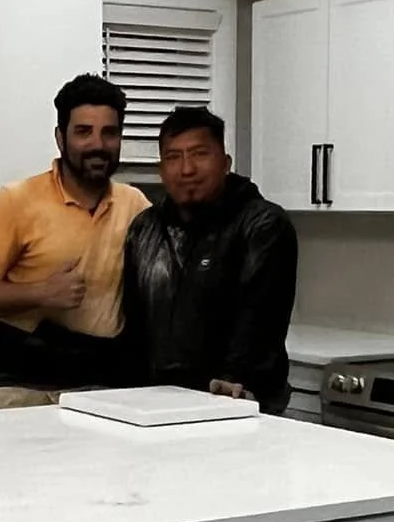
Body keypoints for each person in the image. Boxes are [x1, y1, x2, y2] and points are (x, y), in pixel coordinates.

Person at [0, 74, 150, 408]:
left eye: (109, 132)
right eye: (83, 132)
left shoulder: (136, 206)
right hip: (30, 390)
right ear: (61, 138)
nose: (97, 145)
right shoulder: (16, 201)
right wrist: (42, 292)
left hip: (109, 392)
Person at [122, 105, 298, 413]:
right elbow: (134, 325)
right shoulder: (143, 230)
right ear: (161, 170)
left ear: (225, 163)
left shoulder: (261, 224)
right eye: (173, 157)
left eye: (200, 154)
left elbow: (260, 318)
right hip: (156, 405)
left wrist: (234, 378)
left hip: (238, 404)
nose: (186, 169)